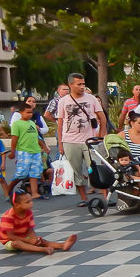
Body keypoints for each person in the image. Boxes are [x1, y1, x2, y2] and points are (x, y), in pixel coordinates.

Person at [56, 72, 106, 208]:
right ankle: (84, 198)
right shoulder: (63, 101)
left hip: (89, 141)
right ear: (70, 85)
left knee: (96, 168)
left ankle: (105, 197)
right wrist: (60, 143)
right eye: (79, 84)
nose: (82, 87)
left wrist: (100, 137)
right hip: (70, 141)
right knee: (76, 170)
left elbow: (102, 117)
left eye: (83, 84)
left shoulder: (91, 99)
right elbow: (60, 123)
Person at [0, 188, 76, 255]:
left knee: (41, 241)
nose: (31, 203)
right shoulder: (8, 216)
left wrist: (34, 239)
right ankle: (42, 249)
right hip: (10, 241)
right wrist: (28, 240)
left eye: (31, 201)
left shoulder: (28, 213)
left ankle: (62, 245)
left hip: (24, 237)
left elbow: (30, 229)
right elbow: (11, 236)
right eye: (27, 202)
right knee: (17, 244)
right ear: (17, 205)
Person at [9, 101, 49, 199]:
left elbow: (37, 137)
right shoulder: (17, 124)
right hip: (24, 151)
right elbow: (14, 138)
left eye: (31, 112)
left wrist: (44, 147)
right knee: (22, 173)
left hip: (35, 152)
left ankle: (34, 193)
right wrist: (13, 151)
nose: (30, 114)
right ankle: (9, 189)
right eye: (27, 112)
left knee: (35, 173)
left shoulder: (32, 123)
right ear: (21, 113)